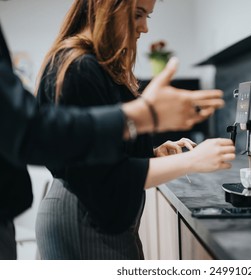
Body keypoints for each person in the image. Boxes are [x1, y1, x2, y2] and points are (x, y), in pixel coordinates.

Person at [0, 3, 226, 260]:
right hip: (84, 218)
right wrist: (191, 161)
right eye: (137, 14)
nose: (145, 27)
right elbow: (104, 178)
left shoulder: (96, 65)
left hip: (93, 215)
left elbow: (103, 153)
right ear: (105, 7)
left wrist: (151, 154)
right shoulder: (78, 67)